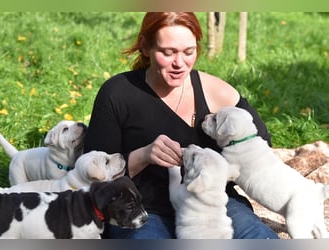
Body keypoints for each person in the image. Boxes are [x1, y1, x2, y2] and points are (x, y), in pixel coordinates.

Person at [83, 12, 279, 239]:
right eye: (168, 53)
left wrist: (220, 170)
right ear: (146, 47)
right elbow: (93, 177)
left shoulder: (216, 92)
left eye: (189, 52)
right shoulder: (117, 93)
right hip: (141, 209)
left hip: (211, 204)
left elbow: (260, 148)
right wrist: (144, 155)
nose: (179, 63)